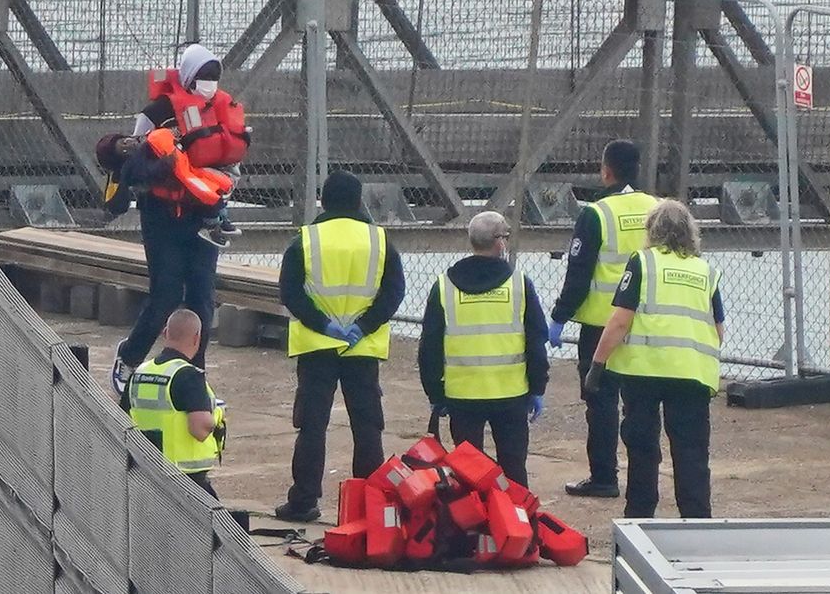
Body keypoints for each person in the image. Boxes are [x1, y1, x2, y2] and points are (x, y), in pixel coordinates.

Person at [274, 171, 406, 522]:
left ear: (323, 200)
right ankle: (367, 505)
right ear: (359, 200)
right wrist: (363, 326)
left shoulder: (305, 240)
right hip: (361, 349)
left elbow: (290, 292)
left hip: (317, 346)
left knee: (312, 425)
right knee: (367, 426)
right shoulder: (380, 241)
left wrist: (323, 323)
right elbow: (394, 293)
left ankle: (304, 500)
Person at [584, 199, 724, 518]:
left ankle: (641, 515)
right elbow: (718, 328)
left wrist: (597, 365)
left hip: (643, 372)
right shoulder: (706, 271)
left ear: (652, 230)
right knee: (691, 451)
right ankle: (697, 518)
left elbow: (620, 320)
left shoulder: (643, 263)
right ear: (691, 232)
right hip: (691, 374)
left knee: (643, 447)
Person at [548, 140, 657, 499]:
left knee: (601, 402)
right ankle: (645, 479)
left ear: (606, 170)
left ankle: (604, 477)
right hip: (644, 322)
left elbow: (578, 273)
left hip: (600, 325)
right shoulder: (657, 209)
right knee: (640, 402)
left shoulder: (596, 214)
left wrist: (560, 315)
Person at [418, 211, 548, 487]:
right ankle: (517, 525)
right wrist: (538, 387)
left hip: (462, 395)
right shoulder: (519, 284)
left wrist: (435, 392)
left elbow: (429, 346)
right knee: (513, 469)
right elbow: (536, 340)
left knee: (467, 472)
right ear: (500, 242)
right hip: (511, 393)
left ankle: (473, 526)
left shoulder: (445, 286)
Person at [102, 131, 225, 397]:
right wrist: (120, 148)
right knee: (166, 296)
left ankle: (194, 379)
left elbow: (227, 153)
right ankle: (129, 357)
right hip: (161, 218)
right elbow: (110, 152)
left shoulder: (209, 113)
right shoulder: (159, 114)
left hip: (202, 216)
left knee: (201, 300)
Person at [136, 43, 252, 245]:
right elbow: (138, 152)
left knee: (203, 276)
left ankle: (217, 218)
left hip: (207, 193)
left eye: (214, 78)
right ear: (189, 76)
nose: (209, 83)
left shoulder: (221, 107)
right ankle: (215, 216)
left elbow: (232, 162)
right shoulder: (156, 111)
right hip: (163, 211)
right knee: (166, 276)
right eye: (204, 77)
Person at [122, 309, 227, 499]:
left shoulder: (139, 373)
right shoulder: (189, 376)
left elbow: (122, 418)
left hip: (145, 474)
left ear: (165, 333)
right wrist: (218, 415)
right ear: (197, 338)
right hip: (186, 481)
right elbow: (200, 429)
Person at [96, 128, 233, 248]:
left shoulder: (148, 142)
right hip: (164, 217)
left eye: (125, 140)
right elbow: (150, 173)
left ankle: (219, 220)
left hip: (187, 192)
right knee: (209, 197)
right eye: (123, 145)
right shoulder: (132, 166)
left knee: (214, 192)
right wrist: (166, 164)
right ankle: (212, 224)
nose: (129, 142)